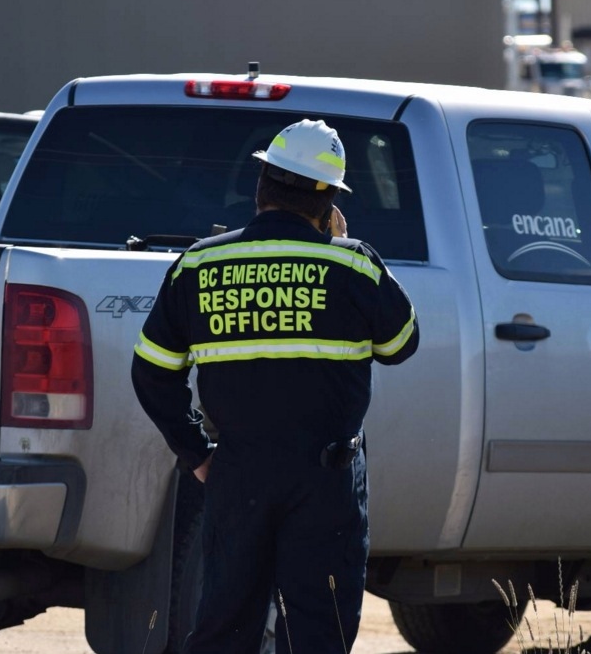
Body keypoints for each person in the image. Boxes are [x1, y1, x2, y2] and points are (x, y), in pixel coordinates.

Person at [131, 118, 419, 653]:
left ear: (261, 184)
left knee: (223, 629)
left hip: (237, 472)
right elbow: (402, 344)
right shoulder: (353, 263)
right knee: (318, 633)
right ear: (328, 199)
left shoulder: (199, 263)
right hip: (324, 479)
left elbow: (151, 369)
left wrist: (195, 452)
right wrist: (336, 244)